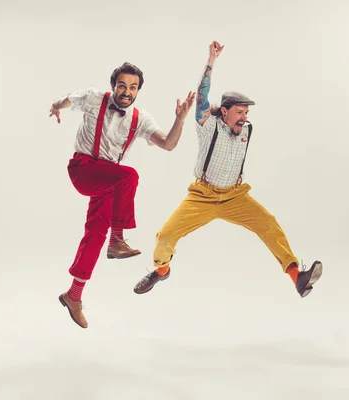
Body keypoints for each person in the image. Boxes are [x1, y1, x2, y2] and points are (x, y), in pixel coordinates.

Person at [132, 41, 323, 298]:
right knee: (165, 236)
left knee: (269, 224)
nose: (244, 117)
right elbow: (201, 97)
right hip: (202, 195)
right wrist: (211, 60)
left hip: (235, 196)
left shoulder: (246, 130)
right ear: (224, 112)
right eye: (239, 112)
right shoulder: (209, 125)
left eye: (246, 112)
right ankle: (161, 271)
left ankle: (296, 277)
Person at [49, 61, 196, 328]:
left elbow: (168, 144)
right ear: (113, 86)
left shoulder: (140, 119)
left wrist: (180, 119)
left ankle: (74, 295)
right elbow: (68, 100)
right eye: (122, 86)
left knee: (94, 235)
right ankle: (117, 239)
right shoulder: (95, 98)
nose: (126, 92)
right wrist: (56, 106)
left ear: (138, 90)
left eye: (133, 87)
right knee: (129, 175)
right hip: (84, 169)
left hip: (109, 181)